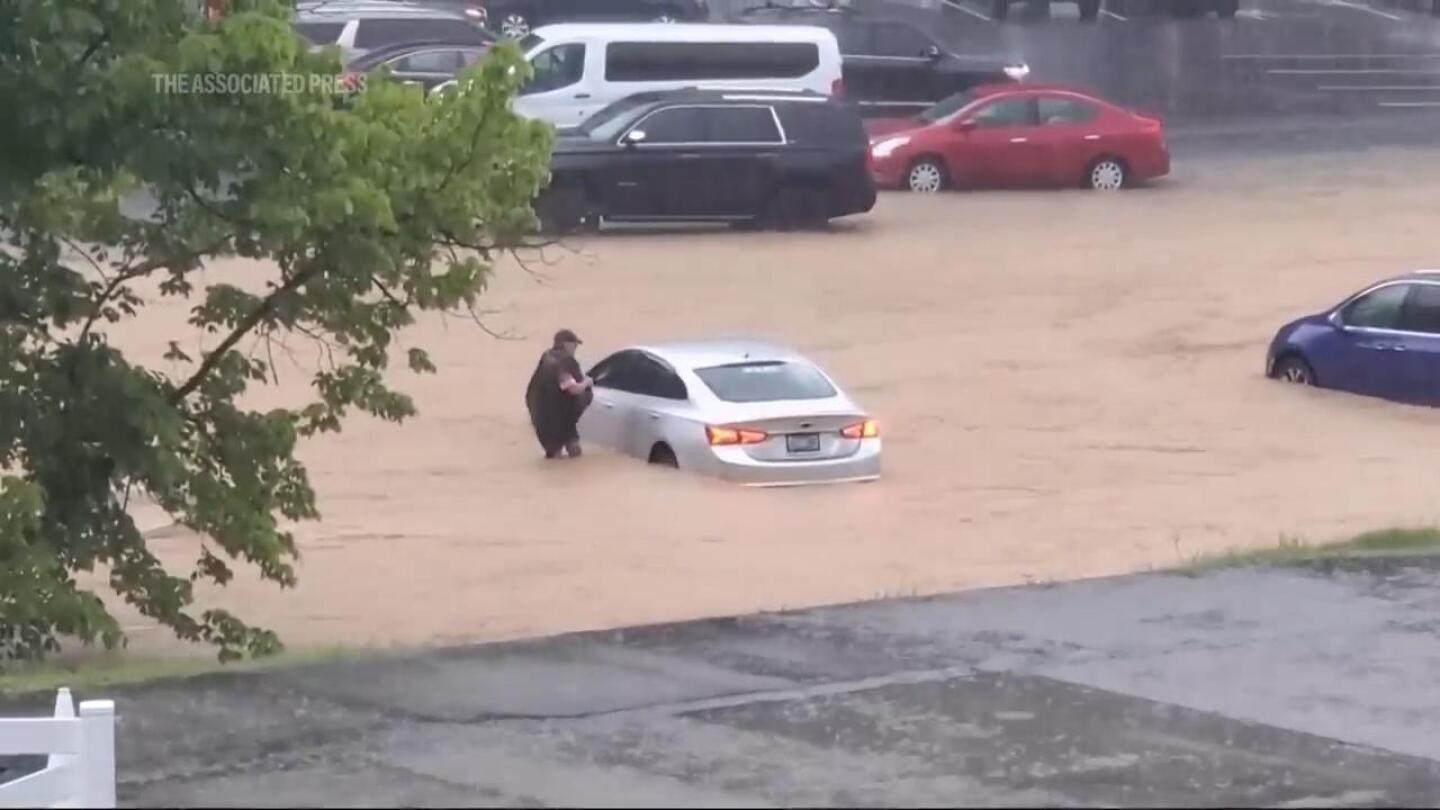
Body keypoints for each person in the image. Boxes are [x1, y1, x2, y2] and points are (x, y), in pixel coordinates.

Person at [525, 329, 594, 460]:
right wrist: (587, 383)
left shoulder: (547, 357)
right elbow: (573, 388)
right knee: (570, 451)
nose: (576, 348)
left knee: (563, 453)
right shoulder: (563, 363)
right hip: (558, 419)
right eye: (574, 344)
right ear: (565, 344)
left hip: (542, 416)